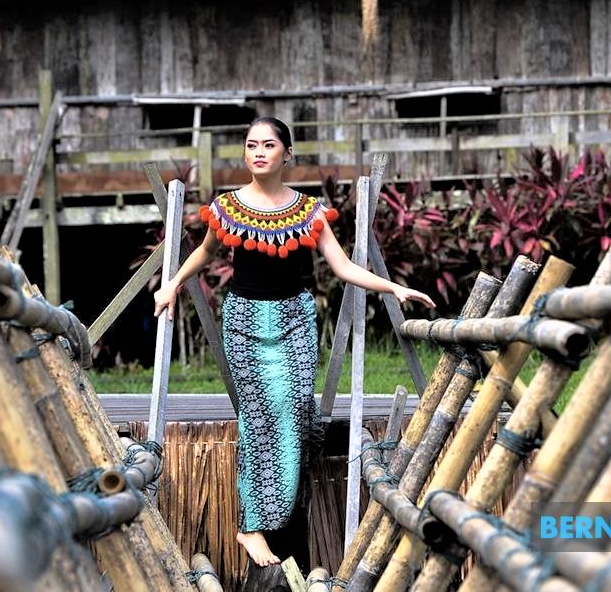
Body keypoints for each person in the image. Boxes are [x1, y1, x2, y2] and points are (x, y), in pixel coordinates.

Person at [153, 117, 435, 568]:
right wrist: (171, 284)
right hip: (244, 321)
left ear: (287, 154)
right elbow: (205, 252)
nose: (259, 152)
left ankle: (280, 520)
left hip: (294, 321)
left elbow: (343, 267)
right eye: (251, 145)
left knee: (295, 413)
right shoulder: (228, 207)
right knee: (257, 417)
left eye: (268, 145)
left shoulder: (309, 211)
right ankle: (251, 526)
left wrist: (392, 288)